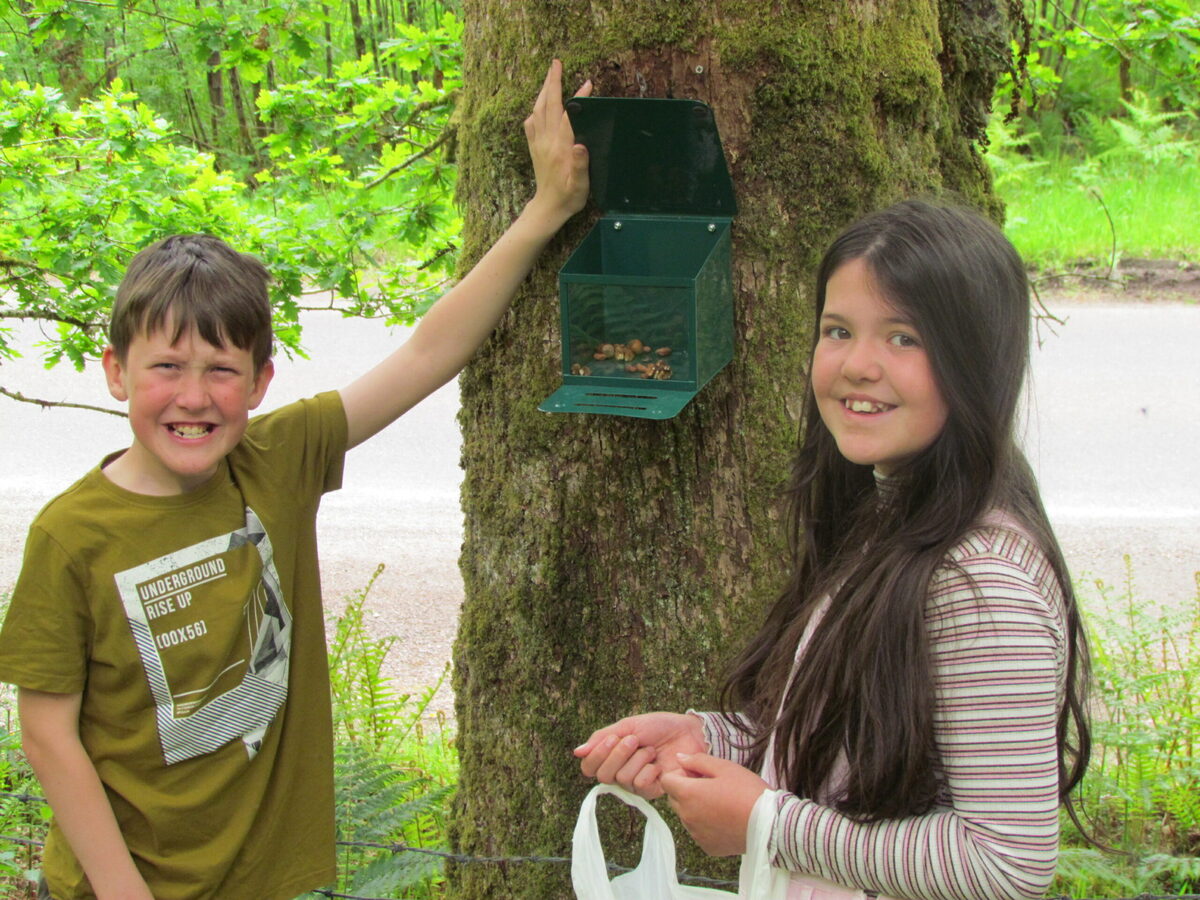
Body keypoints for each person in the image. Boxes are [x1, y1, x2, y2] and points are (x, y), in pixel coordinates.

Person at [0, 60, 590, 900]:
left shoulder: (275, 461)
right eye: (166, 366)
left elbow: (427, 352)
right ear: (115, 373)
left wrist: (546, 210)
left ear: (262, 383)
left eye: (222, 370)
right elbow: (48, 732)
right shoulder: (71, 536)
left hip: (269, 880)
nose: (194, 397)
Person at [574, 200, 1091, 900]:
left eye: (904, 338)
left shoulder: (983, 579)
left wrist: (766, 823)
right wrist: (706, 740)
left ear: (977, 358)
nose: (857, 365)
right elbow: (856, 755)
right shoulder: (891, 516)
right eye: (838, 330)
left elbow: (1005, 861)